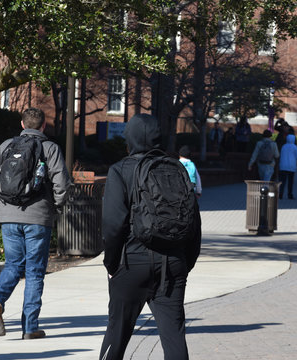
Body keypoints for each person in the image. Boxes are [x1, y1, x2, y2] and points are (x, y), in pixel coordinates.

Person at [100, 114, 201, 360]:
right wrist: (184, 263)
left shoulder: (120, 170)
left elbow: (113, 226)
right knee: (174, 336)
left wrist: (112, 264)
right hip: (173, 265)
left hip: (132, 262)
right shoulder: (176, 169)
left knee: (117, 334)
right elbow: (194, 223)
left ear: (129, 137)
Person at [0, 108, 71, 339]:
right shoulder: (50, 148)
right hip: (38, 217)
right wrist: (57, 207)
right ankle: (30, 328)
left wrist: (1, 203)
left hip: (9, 216)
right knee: (34, 271)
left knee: (13, 265)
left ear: (22, 125)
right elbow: (61, 182)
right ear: (43, 126)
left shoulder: (6, 146)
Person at [278, 134, 297, 199]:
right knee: (290, 182)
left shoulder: (284, 146)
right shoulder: (294, 147)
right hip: (291, 167)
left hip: (283, 166)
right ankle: (290, 194)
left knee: (282, 182)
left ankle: (280, 194)